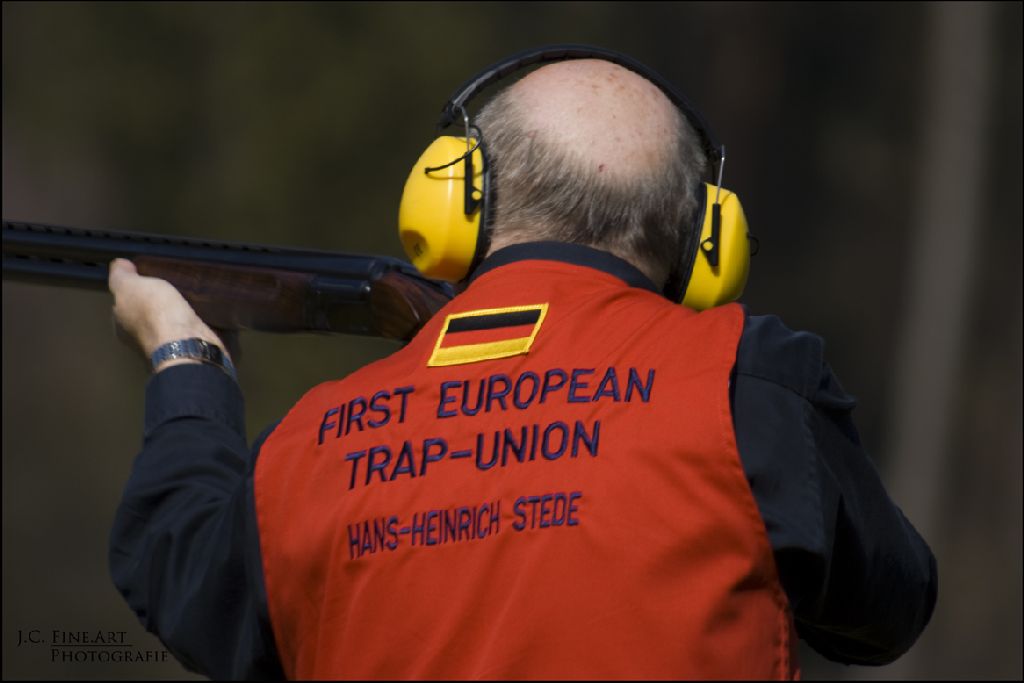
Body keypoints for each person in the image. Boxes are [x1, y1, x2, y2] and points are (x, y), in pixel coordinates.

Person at [108, 52, 937, 680]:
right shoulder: (744, 382)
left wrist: (188, 364)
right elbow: (889, 607)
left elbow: (186, 581)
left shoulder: (308, 443)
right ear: (705, 244)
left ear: (449, 202)